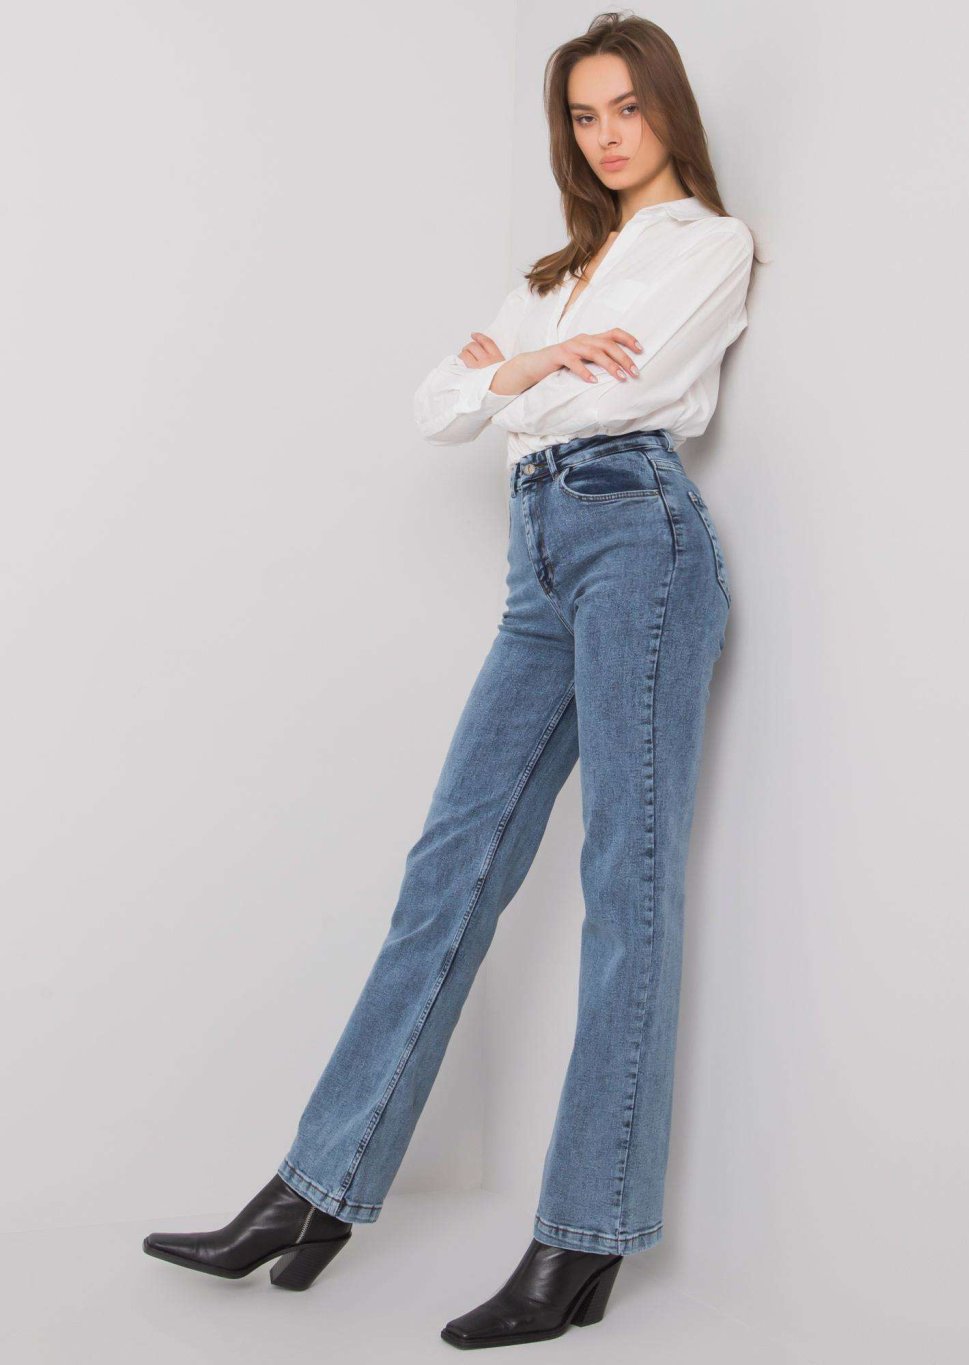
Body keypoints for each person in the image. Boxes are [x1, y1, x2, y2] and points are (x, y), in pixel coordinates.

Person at [143, 11, 757, 1350]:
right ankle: (315, 1191)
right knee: (450, 868)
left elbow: (623, 392)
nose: (608, 136)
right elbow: (438, 403)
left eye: (629, 108)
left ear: (669, 110)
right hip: (539, 558)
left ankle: (584, 1234)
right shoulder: (555, 274)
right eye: (585, 116)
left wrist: (513, 386)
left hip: (640, 544)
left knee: (627, 880)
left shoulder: (707, 244)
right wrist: (531, 366)